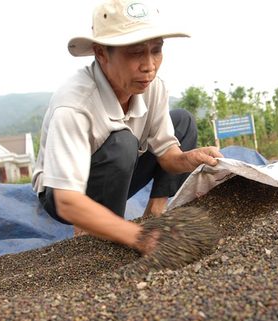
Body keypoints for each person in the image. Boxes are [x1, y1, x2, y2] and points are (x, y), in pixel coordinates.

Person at [32, 0, 223, 255]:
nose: (149, 66)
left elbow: (167, 156)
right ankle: (92, 231)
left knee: (183, 121)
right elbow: (66, 201)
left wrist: (190, 159)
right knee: (122, 143)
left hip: (122, 171)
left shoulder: (154, 87)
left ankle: (155, 212)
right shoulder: (74, 105)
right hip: (64, 192)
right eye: (135, 53)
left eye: (156, 50)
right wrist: (141, 238)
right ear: (101, 53)